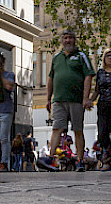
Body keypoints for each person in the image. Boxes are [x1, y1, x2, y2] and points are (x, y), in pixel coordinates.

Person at [37, 30, 95, 172]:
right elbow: (51, 78)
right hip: (59, 100)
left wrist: (85, 98)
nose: (68, 40)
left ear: (75, 40)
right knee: (56, 128)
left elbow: (88, 76)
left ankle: (80, 161)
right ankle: (51, 159)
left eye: (70, 38)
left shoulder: (81, 56)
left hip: (76, 100)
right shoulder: (56, 58)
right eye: (65, 38)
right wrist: (48, 98)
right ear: (62, 41)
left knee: (78, 130)